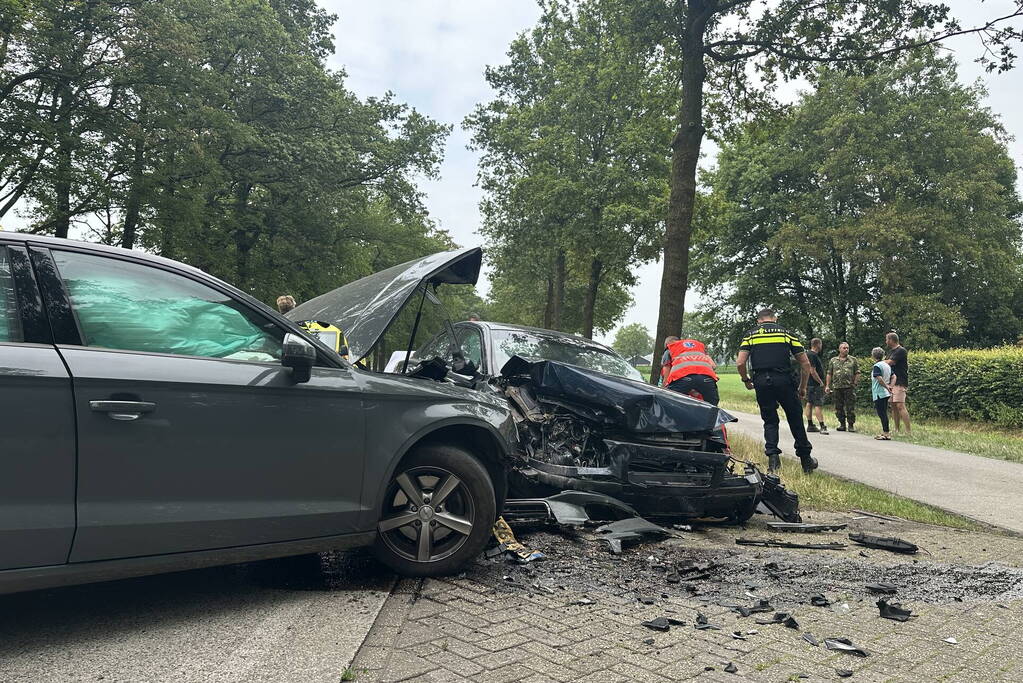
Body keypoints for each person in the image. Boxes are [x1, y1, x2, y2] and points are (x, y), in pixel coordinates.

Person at [736, 308, 818, 475]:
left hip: (761, 381)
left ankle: (773, 460)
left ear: (758, 320)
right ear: (775, 318)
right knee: (795, 418)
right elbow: (806, 364)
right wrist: (802, 387)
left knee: (770, 420)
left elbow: (740, 363)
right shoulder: (786, 334)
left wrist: (746, 380)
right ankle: (806, 460)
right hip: (784, 380)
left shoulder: (751, 335)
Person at [664, 338, 720, 405]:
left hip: (682, 378)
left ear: (667, 344)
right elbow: (713, 366)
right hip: (707, 378)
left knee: (670, 402)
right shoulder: (698, 347)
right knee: (712, 405)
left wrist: (664, 389)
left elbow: (666, 371)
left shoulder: (670, 348)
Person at [825, 341, 860, 432]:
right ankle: (842, 424)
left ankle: (851, 425)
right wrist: (827, 386)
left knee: (850, 407)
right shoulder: (833, 360)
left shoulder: (853, 360)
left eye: (847, 348)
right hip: (837, 387)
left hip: (849, 387)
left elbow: (857, 373)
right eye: (844, 348)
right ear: (839, 349)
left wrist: (855, 383)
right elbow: (829, 373)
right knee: (838, 407)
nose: (846, 349)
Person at [885, 331, 911, 434]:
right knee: (893, 406)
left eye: (887, 339)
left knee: (900, 405)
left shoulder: (901, 351)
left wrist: (880, 362)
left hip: (900, 381)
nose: (886, 341)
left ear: (891, 340)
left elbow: (890, 362)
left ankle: (908, 430)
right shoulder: (891, 352)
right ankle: (896, 429)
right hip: (891, 382)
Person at [804, 338, 828, 434]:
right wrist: (820, 382)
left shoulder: (807, 354)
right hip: (814, 384)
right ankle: (822, 426)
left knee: (809, 402)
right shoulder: (813, 355)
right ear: (818, 345)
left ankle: (810, 425)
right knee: (818, 404)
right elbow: (812, 371)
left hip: (808, 383)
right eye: (821, 345)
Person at [870, 346, 893, 440]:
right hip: (886, 393)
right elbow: (894, 376)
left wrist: (886, 386)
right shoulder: (886, 365)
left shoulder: (877, 366)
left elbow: (879, 378)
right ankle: (885, 432)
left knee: (882, 413)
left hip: (879, 392)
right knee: (884, 413)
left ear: (873, 356)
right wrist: (890, 386)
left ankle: (886, 433)